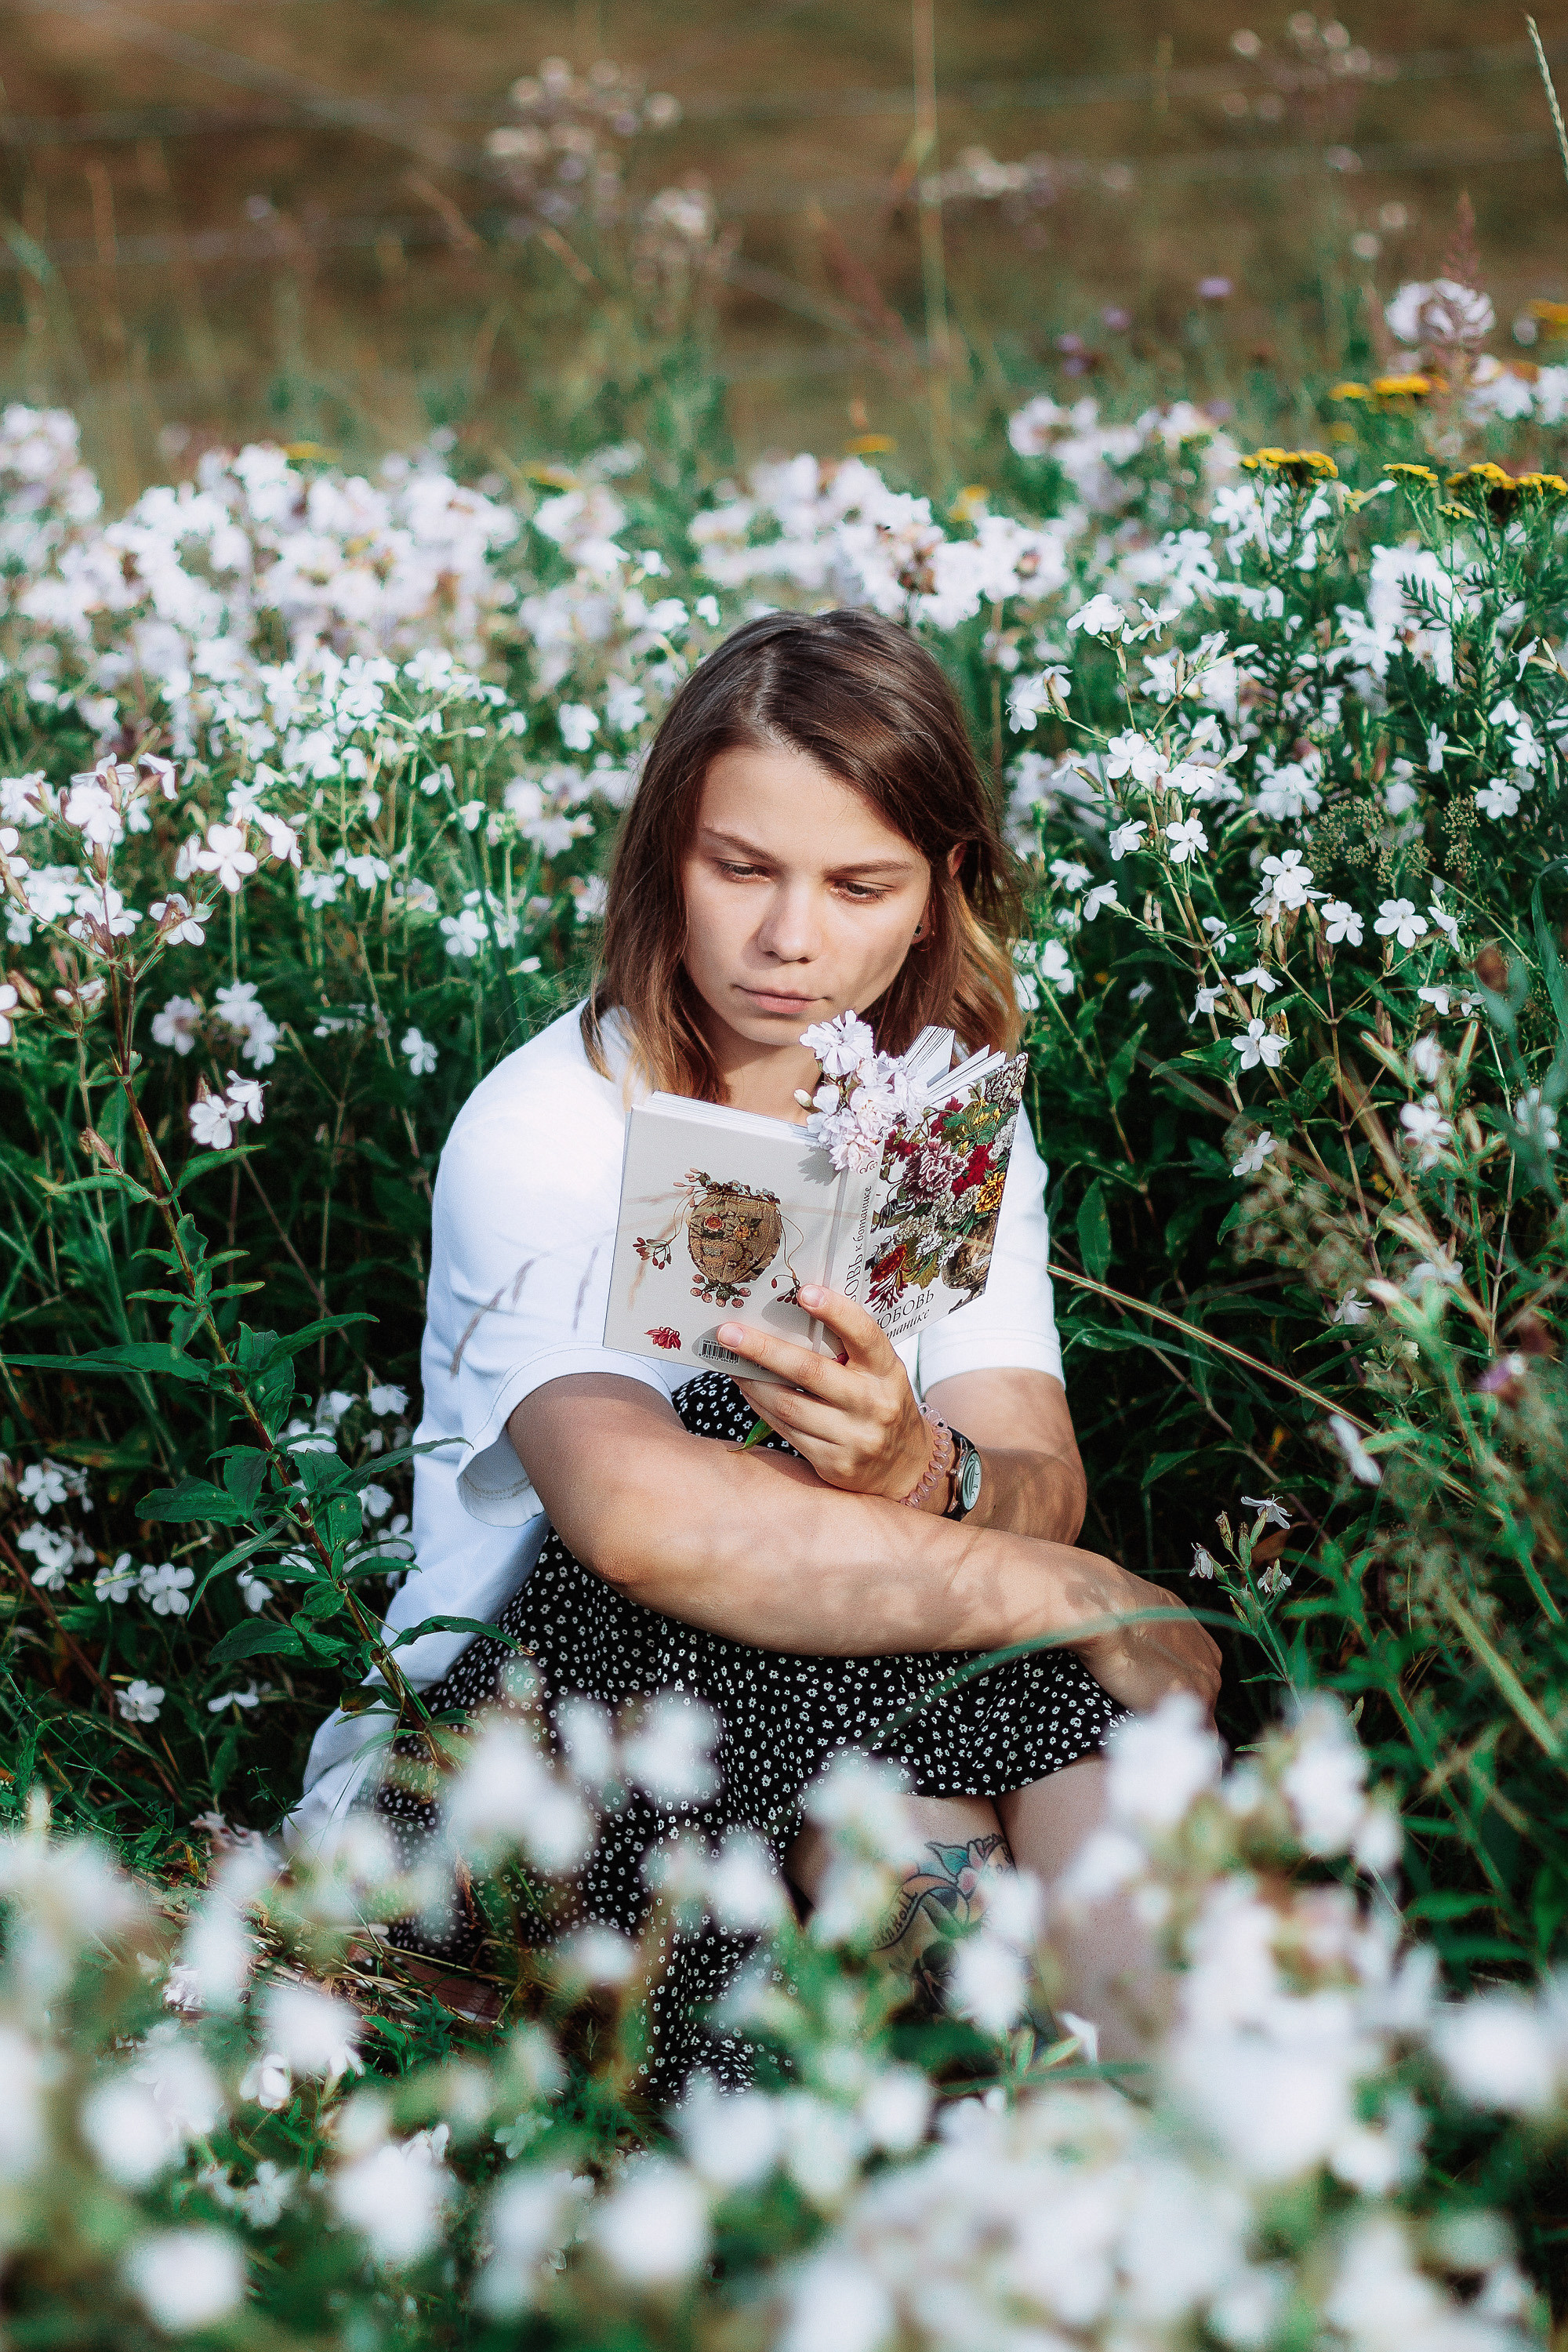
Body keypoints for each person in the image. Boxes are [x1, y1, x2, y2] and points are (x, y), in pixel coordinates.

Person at [295, 608, 1220, 2092]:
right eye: (742, 869)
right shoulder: (545, 1125)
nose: (792, 940)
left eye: (861, 885)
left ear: (941, 893)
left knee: (890, 1587)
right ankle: (1059, 2078)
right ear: (667, 856)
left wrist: (927, 1468)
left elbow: (1034, 1465)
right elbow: (640, 1526)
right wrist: (1077, 1591)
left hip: (846, 1735)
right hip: (525, 1767)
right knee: (733, 1459)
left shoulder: (946, 1118)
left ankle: (1141, 2075)